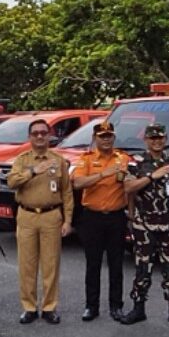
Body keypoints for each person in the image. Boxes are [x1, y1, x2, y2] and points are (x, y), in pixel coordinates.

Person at [6, 119, 74, 325]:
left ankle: (49, 307)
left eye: (43, 132)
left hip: (51, 216)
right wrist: (34, 171)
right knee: (27, 265)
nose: (40, 136)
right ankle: (28, 307)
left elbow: (67, 192)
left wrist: (68, 220)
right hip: (27, 215)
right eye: (35, 133)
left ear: (49, 135)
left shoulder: (58, 160)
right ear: (30, 137)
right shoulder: (22, 160)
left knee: (51, 264)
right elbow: (11, 182)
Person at [121, 123, 169, 327]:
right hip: (145, 225)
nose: (157, 141)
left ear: (165, 139)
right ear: (146, 140)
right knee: (143, 267)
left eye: (160, 138)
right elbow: (128, 187)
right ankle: (138, 308)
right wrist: (151, 176)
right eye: (153, 138)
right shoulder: (137, 163)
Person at [71, 121, 130, 322]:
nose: (106, 139)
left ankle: (116, 306)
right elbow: (78, 183)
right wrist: (103, 174)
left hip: (116, 216)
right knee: (93, 263)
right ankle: (91, 306)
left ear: (114, 137)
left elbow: (128, 183)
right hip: (92, 217)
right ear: (95, 139)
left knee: (116, 264)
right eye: (102, 136)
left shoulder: (123, 158)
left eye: (109, 136)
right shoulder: (86, 159)